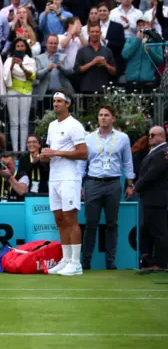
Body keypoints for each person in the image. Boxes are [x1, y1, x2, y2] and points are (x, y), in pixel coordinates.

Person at [81, 105, 134, 271]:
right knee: (91, 223)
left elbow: (127, 162)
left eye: (106, 115)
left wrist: (130, 184)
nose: (103, 117)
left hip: (113, 183)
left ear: (113, 118)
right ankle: (86, 261)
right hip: (93, 183)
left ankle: (110, 262)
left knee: (112, 224)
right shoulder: (88, 138)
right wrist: (80, 185)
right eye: (100, 115)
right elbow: (83, 163)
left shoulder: (123, 138)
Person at [41, 91, 88, 276]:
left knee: (70, 218)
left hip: (70, 177)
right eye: (54, 101)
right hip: (54, 177)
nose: (56, 104)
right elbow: (52, 152)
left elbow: (83, 153)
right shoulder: (52, 125)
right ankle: (66, 259)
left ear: (68, 104)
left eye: (60, 101)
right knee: (59, 219)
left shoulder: (75, 125)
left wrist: (57, 153)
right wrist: (43, 156)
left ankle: (76, 263)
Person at [134, 126, 168, 272]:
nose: (150, 137)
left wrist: (137, 186)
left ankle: (161, 263)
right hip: (151, 197)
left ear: (162, 136)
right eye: (149, 134)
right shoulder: (156, 151)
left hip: (156, 197)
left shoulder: (162, 152)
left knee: (159, 231)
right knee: (152, 230)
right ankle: (154, 261)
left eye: (153, 135)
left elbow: (152, 173)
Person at [3, 38, 36, 152]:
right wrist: (12, 65)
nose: (20, 48)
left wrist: (21, 66)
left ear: (26, 47)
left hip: (26, 91)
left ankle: (23, 150)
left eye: (22, 46)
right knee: (14, 122)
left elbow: (31, 76)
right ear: (14, 48)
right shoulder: (8, 60)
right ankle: (15, 150)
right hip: (12, 91)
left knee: (24, 122)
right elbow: (6, 76)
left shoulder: (31, 60)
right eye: (18, 46)